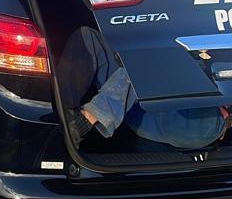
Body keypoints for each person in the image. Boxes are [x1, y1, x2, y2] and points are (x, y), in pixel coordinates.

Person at [59, 25, 230, 150]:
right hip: (140, 107)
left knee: (153, 56)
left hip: (197, 119)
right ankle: (63, 120)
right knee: (88, 37)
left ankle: (86, 119)